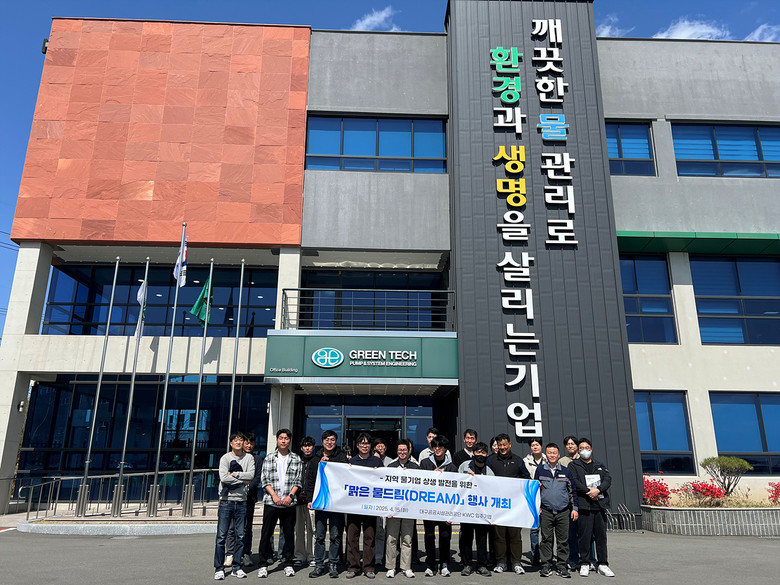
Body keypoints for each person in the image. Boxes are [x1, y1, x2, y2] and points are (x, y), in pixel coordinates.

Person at [257, 429, 303, 578]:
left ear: (290, 441)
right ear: (277, 440)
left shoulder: (296, 458)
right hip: (271, 502)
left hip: (289, 503)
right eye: (281, 438)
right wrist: (274, 496)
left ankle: (288, 563)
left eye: (286, 438)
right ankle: (263, 564)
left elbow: (298, 480)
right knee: (266, 534)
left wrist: (290, 496)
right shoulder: (269, 458)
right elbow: (265, 479)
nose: (283, 441)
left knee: (288, 535)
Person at [568, 438, 614, 578]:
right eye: (581, 448)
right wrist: (589, 491)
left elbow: (607, 479)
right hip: (584, 505)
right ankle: (585, 563)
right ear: (578, 450)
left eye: (587, 447)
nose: (585, 450)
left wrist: (598, 490)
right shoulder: (573, 465)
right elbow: (574, 481)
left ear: (591, 449)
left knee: (601, 536)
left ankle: (602, 564)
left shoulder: (599, 465)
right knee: (584, 536)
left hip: (599, 505)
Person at [306, 430, 349, 578]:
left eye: (332, 440)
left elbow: (346, 474)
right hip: (321, 502)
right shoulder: (315, 459)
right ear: (322, 441)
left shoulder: (341, 457)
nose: (329, 442)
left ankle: (333, 564)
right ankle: (319, 565)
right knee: (319, 535)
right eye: (327, 440)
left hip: (336, 503)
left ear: (336, 442)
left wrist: (330, 464)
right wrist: (310, 499)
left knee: (335, 536)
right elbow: (310, 480)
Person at [487, 433, 530, 575]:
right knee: (499, 536)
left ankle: (516, 562)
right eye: (500, 445)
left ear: (510, 444)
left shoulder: (518, 460)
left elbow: (526, 478)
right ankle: (501, 562)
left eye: (504, 445)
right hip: (497, 505)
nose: (502, 447)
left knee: (515, 535)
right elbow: (484, 479)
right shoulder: (491, 460)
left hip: (514, 506)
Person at [214, 432, 255, 580]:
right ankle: (219, 568)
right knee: (221, 536)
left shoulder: (249, 458)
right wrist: (242, 480)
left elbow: (251, 476)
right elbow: (224, 478)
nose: (238, 442)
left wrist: (235, 475)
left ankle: (236, 567)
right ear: (231, 443)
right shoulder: (225, 458)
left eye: (241, 440)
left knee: (240, 535)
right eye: (235, 440)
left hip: (242, 501)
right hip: (226, 501)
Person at [534, 443, 578, 579]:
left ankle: (562, 566)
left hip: (563, 511)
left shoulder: (566, 471)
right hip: (546, 511)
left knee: (563, 540)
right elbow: (535, 490)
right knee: (546, 539)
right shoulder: (540, 470)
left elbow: (572, 491)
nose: (552, 455)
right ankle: (546, 565)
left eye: (554, 453)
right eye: (549, 453)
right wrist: (537, 507)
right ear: (546, 454)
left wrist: (574, 508)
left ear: (558, 455)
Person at [346, 433, 384, 579]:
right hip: (353, 506)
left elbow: (383, 481)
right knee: (352, 537)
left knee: (370, 537)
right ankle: (353, 566)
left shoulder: (377, 461)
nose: (364, 445)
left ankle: (368, 567)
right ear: (357, 445)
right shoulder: (352, 462)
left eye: (367, 443)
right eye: (361, 443)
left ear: (370, 445)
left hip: (370, 506)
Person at [419, 435, 456, 577]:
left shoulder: (451, 467)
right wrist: (431, 476)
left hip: (445, 509)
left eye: (440, 447)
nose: (437, 449)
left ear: (445, 449)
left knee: (445, 536)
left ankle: (444, 563)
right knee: (429, 536)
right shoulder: (425, 463)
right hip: (429, 507)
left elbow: (456, 490)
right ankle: (430, 565)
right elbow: (419, 483)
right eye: (435, 446)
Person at [458, 441, 493, 577]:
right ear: (473, 453)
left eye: (483, 453)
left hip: (482, 511)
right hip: (466, 509)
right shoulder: (464, 466)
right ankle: (466, 564)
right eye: (478, 452)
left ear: (487, 455)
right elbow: (456, 484)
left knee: (482, 538)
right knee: (466, 538)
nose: (480, 455)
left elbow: (493, 491)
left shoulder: (489, 471)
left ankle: (482, 565)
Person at [384, 438, 418, 579]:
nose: (402, 452)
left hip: (409, 509)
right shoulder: (391, 467)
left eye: (404, 450)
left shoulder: (415, 467)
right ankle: (390, 567)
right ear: (397, 451)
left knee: (407, 539)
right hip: (393, 509)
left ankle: (406, 567)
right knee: (391, 539)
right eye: (400, 450)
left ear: (409, 451)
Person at [557, 435, 581, 570]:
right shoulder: (562, 461)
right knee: (570, 533)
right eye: (568, 444)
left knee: (584, 533)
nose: (570, 446)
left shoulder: (583, 459)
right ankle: (572, 559)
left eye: (572, 443)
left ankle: (587, 559)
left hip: (582, 499)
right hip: (568, 500)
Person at [522, 438, 547, 566]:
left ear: (541, 446)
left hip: (547, 497)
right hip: (532, 497)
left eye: (537, 444)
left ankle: (546, 556)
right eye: (532, 445)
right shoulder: (525, 461)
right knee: (534, 529)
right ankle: (535, 555)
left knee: (547, 529)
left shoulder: (548, 459)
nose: (535, 447)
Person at [295, 436, 317, 569]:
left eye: (309, 445)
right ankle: (299, 556)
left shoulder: (317, 461)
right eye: (305, 446)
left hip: (312, 501)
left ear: (313, 447)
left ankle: (311, 556)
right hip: (298, 500)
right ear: (301, 448)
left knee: (312, 529)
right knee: (299, 529)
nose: (307, 448)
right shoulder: (298, 461)